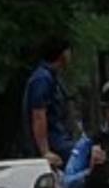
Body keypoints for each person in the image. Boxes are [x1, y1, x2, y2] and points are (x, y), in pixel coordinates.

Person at [23, 36, 77, 168]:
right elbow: (38, 115)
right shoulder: (42, 79)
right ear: (62, 53)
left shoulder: (52, 78)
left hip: (61, 139)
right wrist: (45, 152)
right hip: (55, 143)